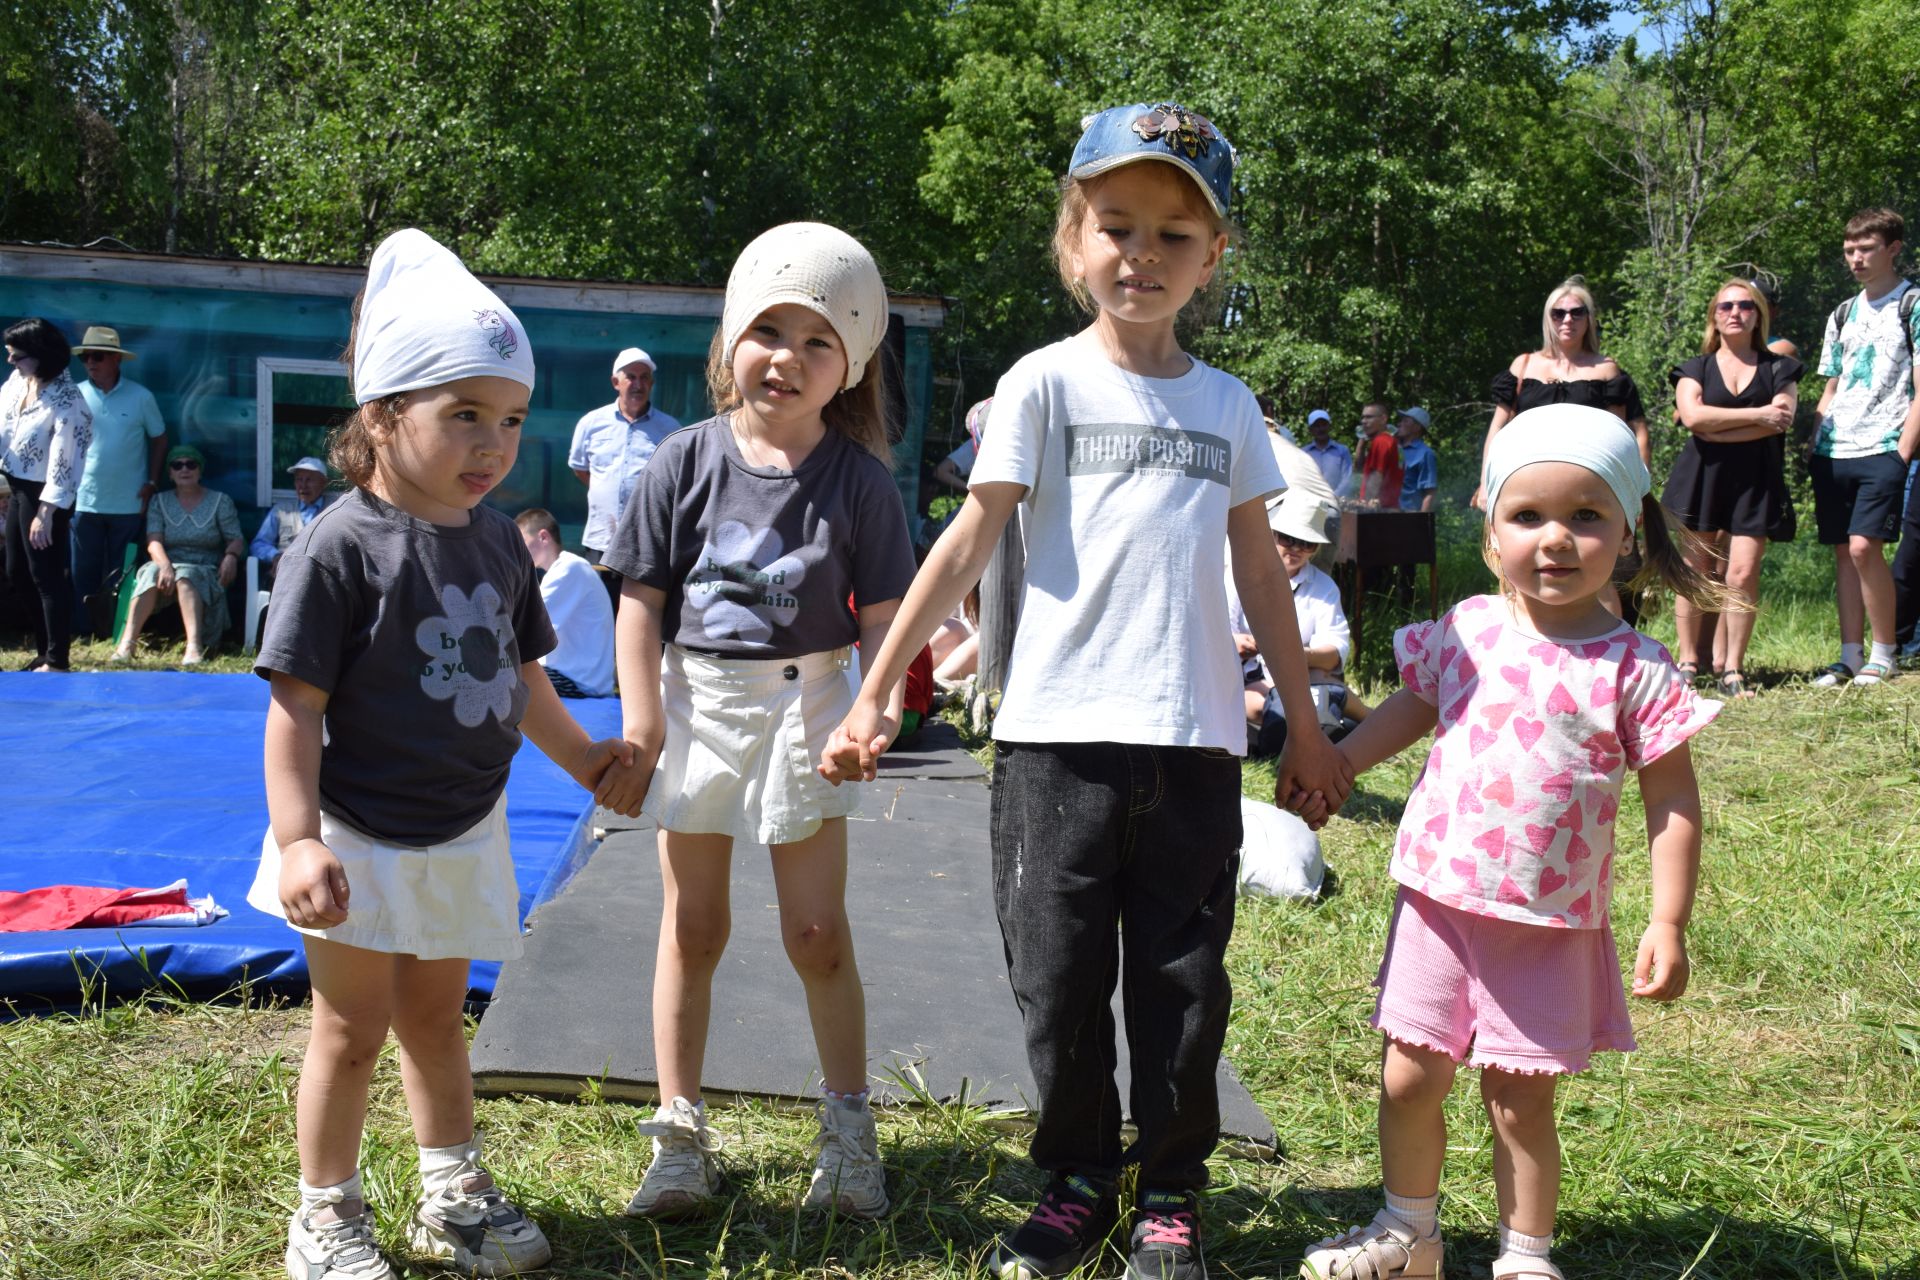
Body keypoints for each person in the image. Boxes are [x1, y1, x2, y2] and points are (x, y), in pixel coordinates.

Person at [819, 102, 1353, 1280]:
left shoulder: (1224, 408)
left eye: (1174, 235)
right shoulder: (1041, 386)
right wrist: (874, 693)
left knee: (1180, 982)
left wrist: (1305, 730)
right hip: (1054, 745)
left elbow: (1260, 567)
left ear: (1213, 260)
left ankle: (1167, 1193)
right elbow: (964, 543)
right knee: (1057, 979)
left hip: (1196, 744)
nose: (1142, 256)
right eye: (1117, 226)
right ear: (1074, 240)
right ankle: (1072, 1177)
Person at [245, 229, 643, 1280]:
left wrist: (587, 762)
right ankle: (324, 1213)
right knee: (351, 1022)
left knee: (435, 1015)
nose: (493, 442)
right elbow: (294, 710)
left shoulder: (496, 539)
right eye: (463, 413)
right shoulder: (339, 543)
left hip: (463, 825)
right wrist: (295, 841)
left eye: (509, 418)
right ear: (382, 414)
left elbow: (524, 682)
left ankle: (451, 1195)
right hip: (355, 830)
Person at [1300, 404, 1723, 1280]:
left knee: (1521, 1101)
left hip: (1548, 918)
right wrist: (1337, 764)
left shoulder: (1635, 668)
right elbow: (1412, 708)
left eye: (1586, 516)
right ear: (1492, 533)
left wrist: (1668, 919)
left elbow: (1672, 798)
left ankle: (1525, 1256)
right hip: (1440, 902)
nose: (1556, 539)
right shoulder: (1470, 630)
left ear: (1628, 535)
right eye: (1528, 516)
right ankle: (1408, 1233)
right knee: (1408, 1077)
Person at [603, 221, 915, 1222]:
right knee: (692, 925)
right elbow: (640, 601)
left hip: (812, 698)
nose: (786, 356)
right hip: (698, 698)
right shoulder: (680, 461)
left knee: (817, 928)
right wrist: (642, 722)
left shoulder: (862, 483)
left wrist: (876, 711)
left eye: (817, 339)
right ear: (732, 340)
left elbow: (886, 630)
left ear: (850, 364)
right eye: (767, 330)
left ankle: (850, 1129)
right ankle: (681, 1132)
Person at [1663, 280, 1804, 699]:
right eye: (1726, 305)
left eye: (1745, 305)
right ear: (1714, 315)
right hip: (1703, 477)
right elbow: (1691, 416)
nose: (1735, 312)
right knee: (1695, 572)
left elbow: (1785, 419)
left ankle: (1733, 670)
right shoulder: (1695, 367)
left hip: (1757, 481)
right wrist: (1758, 416)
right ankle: (1688, 663)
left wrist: (1715, 425)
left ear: (1758, 313)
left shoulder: (1780, 367)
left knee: (1742, 573)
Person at [1809, 208, 1919, 687]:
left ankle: (1884, 652)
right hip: (1835, 448)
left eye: (1866, 248)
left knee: (1863, 548)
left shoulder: (1912, 304)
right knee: (1842, 552)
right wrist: (1817, 435)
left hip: (1885, 444)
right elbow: (1832, 382)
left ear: (1893, 248)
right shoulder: (1843, 312)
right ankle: (1850, 655)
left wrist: (1903, 451)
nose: (1855, 258)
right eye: (1850, 249)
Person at [2, 318, 92, 671]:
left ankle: (57, 659)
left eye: (18, 355)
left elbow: (65, 461)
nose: (10, 361)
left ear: (41, 355)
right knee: (17, 571)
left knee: (46, 574)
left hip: (47, 494)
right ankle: (43, 650)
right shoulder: (17, 381)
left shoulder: (70, 402)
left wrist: (47, 512)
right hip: (18, 484)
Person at [70, 325, 166, 637]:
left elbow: (160, 439)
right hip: (84, 499)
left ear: (115, 360)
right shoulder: (75, 395)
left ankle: (115, 632)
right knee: (82, 572)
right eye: (85, 358)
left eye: (97, 357)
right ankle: (83, 632)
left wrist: (152, 481)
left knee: (121, 575)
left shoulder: (141, 397)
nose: (90, 364)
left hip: (129, 503)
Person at [110, 445, 243, 665]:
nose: (184, 469)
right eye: (177, 465)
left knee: (187, 575)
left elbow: (236, 539)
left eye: (191, 464)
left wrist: (230, 556)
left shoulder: (220, 501)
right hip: (166, 561)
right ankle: (127, 644)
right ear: (170, 473)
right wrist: (164, 566)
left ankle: (194, 648)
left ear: (200, 471)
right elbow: (153, 541)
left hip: (205, 565)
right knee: (150, 573)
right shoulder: (159, 501)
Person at [569, 346, 683, 564]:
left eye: (644, 378)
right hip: (600, 538)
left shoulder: (670, 429)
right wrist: (606, 488)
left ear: (652, 383)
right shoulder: (591, 423)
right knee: (600, 598)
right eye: (631, 377)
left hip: (648, 540)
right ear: (615, 382)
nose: (638, 385)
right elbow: (580, 469)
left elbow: (677, 480)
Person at [515, 506, 615, 698]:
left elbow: (524, 623)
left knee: (501, 672)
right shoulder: (567, 568)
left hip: (578, 682)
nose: (518, 551)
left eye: (522, 542)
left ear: (543, 537)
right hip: (574, 677)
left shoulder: (569, 568)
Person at [249, 457, 335, 584]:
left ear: (324, 483)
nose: (303, 485)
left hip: (323, 579)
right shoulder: (281, 510)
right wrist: (275, 555)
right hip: (286, 578)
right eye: (299, 479)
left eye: (309, 480)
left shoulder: (334, 511)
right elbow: (258, 544)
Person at [1356, 401, 1403, 508]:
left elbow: (1377, 476)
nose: (1364, 421)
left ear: (1383, 419)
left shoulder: (1381, 442)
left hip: (1377, 511)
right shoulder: (1393, 441)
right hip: (1390, 508)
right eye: (1362, 417)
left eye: (1369, 417)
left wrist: (1365, 506)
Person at [1302, 408, 1353, 496]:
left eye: (1324, 425)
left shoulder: (1342, 451)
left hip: (1337, 502)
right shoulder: (1304, 453)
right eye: (1317, 426)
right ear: (1310, 429)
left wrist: (1333, 497)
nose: (1321, 429)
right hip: (1311, 501)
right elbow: (1302, 479)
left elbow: (1347, 479)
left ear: (1329, 426)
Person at [1395, 408, 1437, 514]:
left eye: (1406, 421)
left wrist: (1421, 522)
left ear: (1417, 427)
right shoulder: (1393, 448)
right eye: (1401, 420)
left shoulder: (1425, 453)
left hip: (1408, 515)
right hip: (1384, 512)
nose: (1399, 424)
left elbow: (1430, 492)